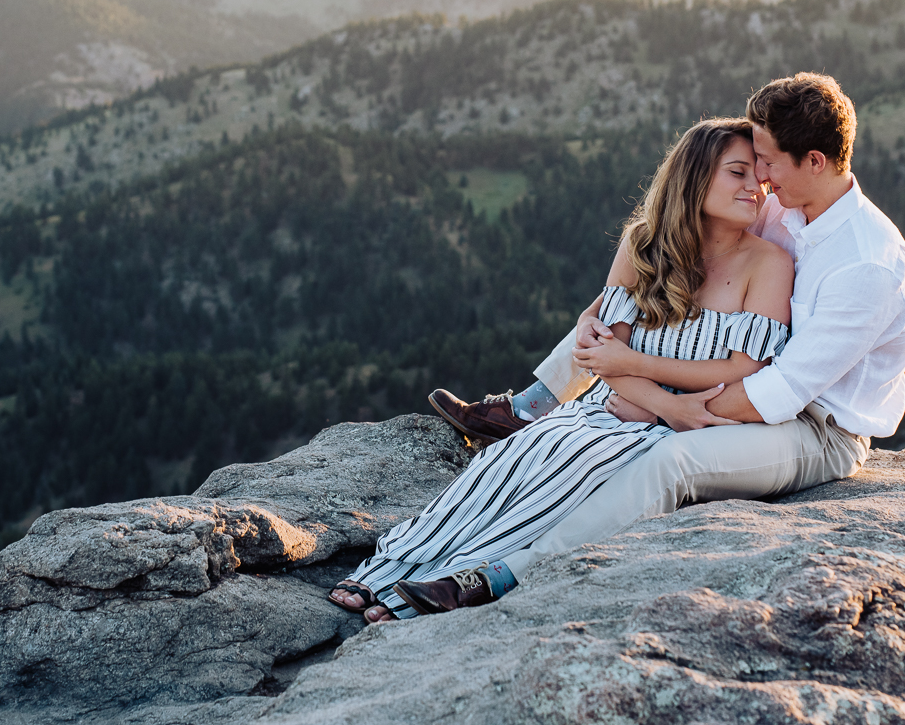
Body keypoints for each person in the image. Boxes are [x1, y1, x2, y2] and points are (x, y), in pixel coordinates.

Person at [364, 72, 905, 621]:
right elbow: (684, 233)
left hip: (814, 427)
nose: (761, 177)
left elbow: (777, 390)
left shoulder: (864, 265)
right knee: (631, 302)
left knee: (670, 460)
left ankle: (506, 573)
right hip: (730, 380)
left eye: (769, 161)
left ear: (815, 162)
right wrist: (595, 318)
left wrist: (656, 405)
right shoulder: (787, 203)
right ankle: (528, 410)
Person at [328, 115, 795, 622]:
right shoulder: (643, 244)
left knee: (580, 468)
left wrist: (659, 410)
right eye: (738, 173)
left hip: (673, 425)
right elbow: (601, 356)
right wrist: (659, 402)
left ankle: (446, 583)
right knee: (511, 458)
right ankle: (390, 565)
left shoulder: (768, 263)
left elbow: (743, 370)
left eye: (760, 177)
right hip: (623, 402)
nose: (757, 188)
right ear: (696, 176)